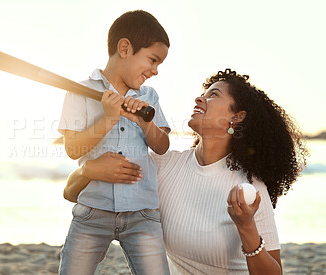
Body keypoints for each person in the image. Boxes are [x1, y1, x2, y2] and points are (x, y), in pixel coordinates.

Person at [63, 69, 308, 274]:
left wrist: (246, 227)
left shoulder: (250, 188)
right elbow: (71, 193)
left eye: (213, 95)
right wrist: (88, 169)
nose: (199, 99)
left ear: (237, 116)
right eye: (202, 94)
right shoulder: (164, 166)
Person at [58, 10, 172, 275]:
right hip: (91, 213)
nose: (154, 71)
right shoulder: (79, 92)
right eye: (152, 60)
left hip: (142, 214)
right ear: (124, 48)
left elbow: (162, 145)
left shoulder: (149, 96)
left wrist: (145, 122)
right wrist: (108, 118)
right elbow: (73, 149)